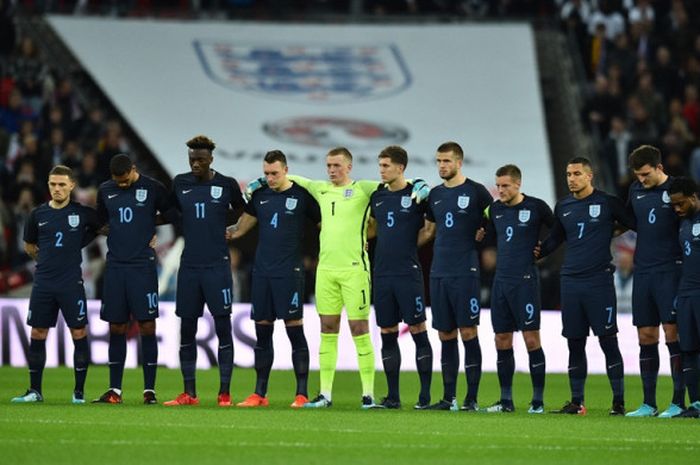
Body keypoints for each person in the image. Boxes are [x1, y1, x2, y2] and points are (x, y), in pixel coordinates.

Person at [245, 146, 428, 408]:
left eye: (337, 166)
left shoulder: (365, 189)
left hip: (355, 270)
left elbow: (395, 181)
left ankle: (367, 395)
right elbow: (290, 177)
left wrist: (418, 182)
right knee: (327, 330)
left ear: (349, 167)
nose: (331, 170)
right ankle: (325, 394)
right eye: (329, 165)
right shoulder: (320, 189)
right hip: (326, 271)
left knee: (359, 330)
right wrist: (261, 181)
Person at [539, 156, 635, 415]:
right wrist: (536, 252)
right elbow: (555, 239)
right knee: (574, 342)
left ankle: (618, 403)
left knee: (608, 341)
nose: (572, 178)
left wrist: (613, 230)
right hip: (570, 280)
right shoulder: (564, 206)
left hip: (598, 281)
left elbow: (633, 220)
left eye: (577, 174)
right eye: (569, 174)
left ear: (589, 176)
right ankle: (577, 401)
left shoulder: (607, 202)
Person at [229, 150, 319, 408]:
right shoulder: (259, 196)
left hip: (289, 272)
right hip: (263, 273)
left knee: (294, 331)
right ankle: (259, 394)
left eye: (274, 173)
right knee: (263, 332)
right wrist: (221, 232)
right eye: (266, 173)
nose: (269, 178)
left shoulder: (301, 196)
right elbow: (241, 227)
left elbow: (325, 226)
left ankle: (301, 394)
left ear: (286, 170)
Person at [163, 135, 245, 407]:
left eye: (200, 159)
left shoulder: (226, 185)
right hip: (189, 267)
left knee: (223, 327)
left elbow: (245, 211)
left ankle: (224, 393)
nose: (195, 163)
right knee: (187, 328)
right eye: (191, 159)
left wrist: (234, 228)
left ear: (211, 159)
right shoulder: (180, 183)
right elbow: (167, 212)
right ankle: (189, 393)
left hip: (217, 267)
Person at [11, 165, 100, 404]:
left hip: (71, 283)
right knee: (38, 332)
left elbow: (103, 227)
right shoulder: (38, 214)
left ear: (72, 185)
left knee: (79, 332)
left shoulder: (82, 213)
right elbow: (29, 246)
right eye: (53, 184)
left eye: (62, 184)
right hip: (44, 283)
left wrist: (79, 242)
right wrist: (48, 261)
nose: (57, 189)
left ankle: (79, 392)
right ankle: (34, 391)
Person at [92, 154, 174, 404]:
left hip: (143, 266)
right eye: (118, 181)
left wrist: (148, 221)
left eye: (126, 180)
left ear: (133, 170)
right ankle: (114, 390)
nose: (122, 185)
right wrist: (116, 229)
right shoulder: (106, 190)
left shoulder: (153, 188)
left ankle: (149, 391)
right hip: (115, 266)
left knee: (147, 325)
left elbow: (172, 213)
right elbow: (100, 220)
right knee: (116, 326)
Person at [419, 141, 492, 411]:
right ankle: (448, 398)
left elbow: (495, 218)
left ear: (459, 163)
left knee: (468, 331)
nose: (442, 166)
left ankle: (470, 399)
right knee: (445, 334)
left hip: (465, 271)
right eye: (438, 161)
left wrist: (484, 233)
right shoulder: (435, 195)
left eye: (447, 161)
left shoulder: (477, 192)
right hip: (439, 272)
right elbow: (428, 231)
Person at [482, 164, 553, 414]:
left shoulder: (536, 207)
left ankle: (537, 401)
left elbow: (558, 230)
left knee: (531, 339)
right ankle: (506, 401)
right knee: (501, 339)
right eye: (498, 185)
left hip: (525, 281)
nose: (500, 190)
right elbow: (486, 234)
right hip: (501, 281)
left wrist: (544, 249)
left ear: (518, 184)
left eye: (505, 186)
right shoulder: (495, 210)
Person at [368, 146, 433, 409]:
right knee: (387, 332)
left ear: (400, 168)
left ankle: (425, 396)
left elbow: (429, 231)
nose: (381, 170)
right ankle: (393, 396)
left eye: (385, 166)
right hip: (382, 273)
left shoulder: (417, 195)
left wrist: (406, 247)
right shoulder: (377, 197)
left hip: (408, 273)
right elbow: (373, 228)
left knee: (417, 329)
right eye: (380, 165)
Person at [625, 145, 685, 418]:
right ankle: (648, 403)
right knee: (646, 336)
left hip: (670, 271)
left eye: (646, 174)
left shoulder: (676, 191)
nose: (641, 180)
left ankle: (678, 401)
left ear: (659, 168)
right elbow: (628, 221)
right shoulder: (635, 191)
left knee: (673, 335)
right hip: (643, 272)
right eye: (637, 175)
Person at [668, 177, 700, 418]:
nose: (677, 209)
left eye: (680, 204)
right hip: (687, 293)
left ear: (694, 197)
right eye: (673, 205)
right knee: (687, 348)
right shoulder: (684, 223)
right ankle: (696, 403)